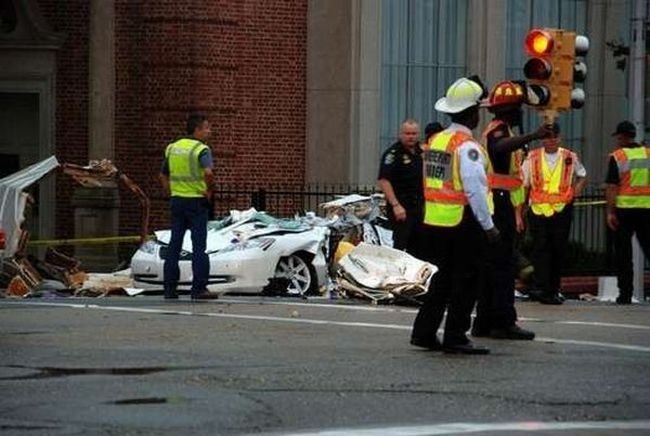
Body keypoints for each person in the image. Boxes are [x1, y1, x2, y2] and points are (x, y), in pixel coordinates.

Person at [410, 77, 497, 355]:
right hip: (463, 222)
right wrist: (489, 226)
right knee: (466, 281)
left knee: (443, 280)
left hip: (436, 221)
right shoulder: (467, 147)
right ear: (472, 114)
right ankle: (456, 336)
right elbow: (475, 191)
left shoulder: (437, 141)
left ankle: (424, 333)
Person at [473, 81, 551, 340]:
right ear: (509, 110)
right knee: (503, 266)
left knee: (493, 265)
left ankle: (485, 322)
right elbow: (499, 148)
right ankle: (503, 322)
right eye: (518, 108)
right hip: (498, 204)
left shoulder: (502, 128)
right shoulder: (498, 130)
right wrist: (533, 136)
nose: (521, 112)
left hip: (503, 203)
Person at [522, 123, 587, 305]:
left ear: (559, 138)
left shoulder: (569, 157)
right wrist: (521, 210)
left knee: (558, 250)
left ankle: (554, 288)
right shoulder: (532, 157)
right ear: (542, 139)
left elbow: (582, 175)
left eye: (553, 137)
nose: (550, 141)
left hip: (561, 209)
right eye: (546, 137)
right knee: (540, 250)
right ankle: (541, 288)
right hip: (538, 209)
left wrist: (576, 190)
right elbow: (525, 185)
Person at [159, 112, 217, 300]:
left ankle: (169, 289)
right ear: (197, 129)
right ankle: (199, 289)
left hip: (177, 202)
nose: (210, 131)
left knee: (174, 245)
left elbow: (162, 176)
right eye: (207, 127)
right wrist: (209, 191)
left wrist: (172, 192)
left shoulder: (172, 148)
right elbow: (208, 173)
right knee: (199, 247)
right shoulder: (202, 150)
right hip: (196, 202)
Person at [605, 121, 650, 304]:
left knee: (623, 254)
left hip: (624, 211)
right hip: (647, 209)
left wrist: (610, 212)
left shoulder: (618, 157)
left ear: (622, 137)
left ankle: (625, 294)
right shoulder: (648, 153)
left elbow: (612, 187)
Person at [377, 119, 424, 253]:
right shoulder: (393, 154)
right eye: (407, 133)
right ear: (401, 134)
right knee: (400, 246)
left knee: (418, 247)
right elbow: (384, 180)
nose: (411, 137)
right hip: (402, 208)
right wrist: (395, 205)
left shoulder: (421, 152)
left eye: (414, 133)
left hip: (419, 208)